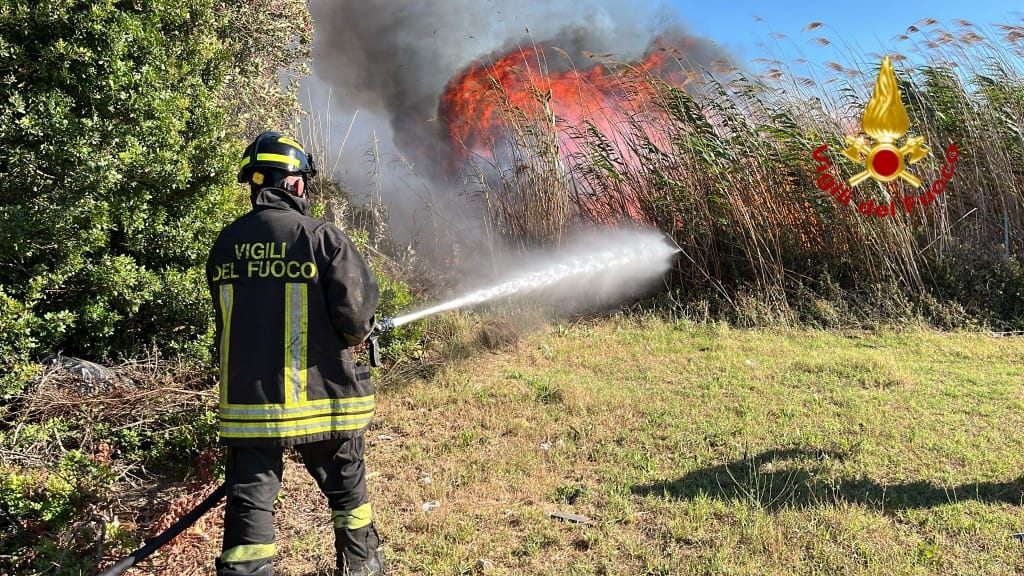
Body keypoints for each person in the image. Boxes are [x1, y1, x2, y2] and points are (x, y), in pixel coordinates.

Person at [206, 132, 384, 576]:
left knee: (250, 514)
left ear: (254, 182)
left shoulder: (225, 244)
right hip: (322, 400)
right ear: (296, 183)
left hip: (251, 405)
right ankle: (361, 568)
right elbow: (356, 317)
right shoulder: (322, 238)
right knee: (348, 496)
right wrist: (361, 331)